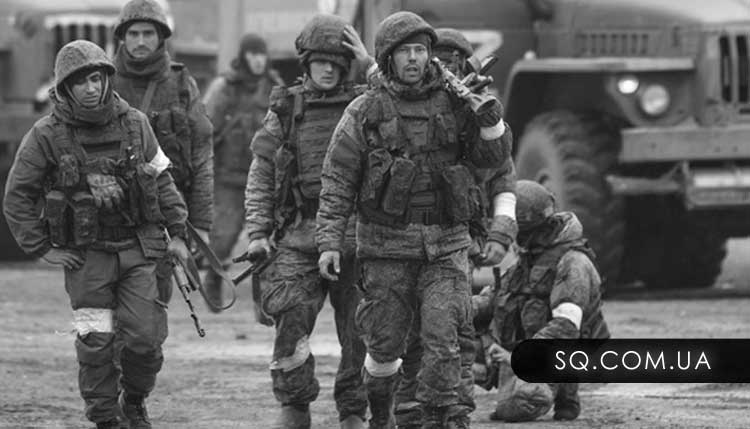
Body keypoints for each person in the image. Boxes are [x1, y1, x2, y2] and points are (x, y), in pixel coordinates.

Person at [316, 11, 518, 429]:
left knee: (444, 337)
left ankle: (439, 418)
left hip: (446, 245)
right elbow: (338, 180)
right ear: (388, 58)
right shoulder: (364, 110)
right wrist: (330, 242)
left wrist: (491, 124)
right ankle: (382, 411)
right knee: (384, 347)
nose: (414, 58)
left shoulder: (458, 103)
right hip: (386, 248)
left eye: (420, 51)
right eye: (405, 51)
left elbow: (493, 163)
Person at [3, 40, 189, 429]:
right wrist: (42, 249)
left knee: (145, 340)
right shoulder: (46, 134)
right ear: (65, 88)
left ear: (107, 80)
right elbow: (17, 196)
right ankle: (105, 417)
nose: (90, 88)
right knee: (96, 343)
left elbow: (162, 179)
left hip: (138, 248)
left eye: (96, 79)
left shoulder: (136, 123)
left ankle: (134, 399)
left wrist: (177, 233)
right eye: (80, 82)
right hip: (86, 257)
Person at [243, 14, 372, 429]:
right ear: (307, 63)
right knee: (291, 315)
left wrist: (369, 64)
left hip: (356, 236)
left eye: (337, 61)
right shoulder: (286, 108)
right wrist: (258, 232)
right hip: (299, 234)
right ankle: (295, 403)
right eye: (321, 61)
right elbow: (262, 173)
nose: (329, 69)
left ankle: (353, 408)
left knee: (360, 329)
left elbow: (402, 97)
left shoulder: (367, 103)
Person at [472, 180, 610, 422]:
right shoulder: (528, 259)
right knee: (447, 346)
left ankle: (562, 394)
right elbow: (493, 300)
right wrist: (452, 309)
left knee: (523, 402)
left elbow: (565, 328)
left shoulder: (573, 263)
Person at [112, 0, 213, 305]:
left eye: (148, 33)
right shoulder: (103, 82)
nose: (141, 41)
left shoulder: (181, 85)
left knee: (152, 309)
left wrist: (201, 225)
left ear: (160, 38)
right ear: (123, 37)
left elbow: (201, 157)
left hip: (162, 216)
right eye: (133, 34)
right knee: (104, 309)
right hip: (112, 215)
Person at [201, 33, 283, 310]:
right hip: (229, 176)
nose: (258, 60)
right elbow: (205, 128)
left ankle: (264, 298)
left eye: (261, 54)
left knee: (266, 241)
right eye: (252, 54)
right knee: (223, 238)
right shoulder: (225, 87)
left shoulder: (274, 87)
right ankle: (213, 278)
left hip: (265, 178)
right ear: (244, 56)